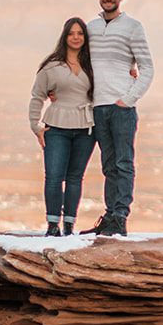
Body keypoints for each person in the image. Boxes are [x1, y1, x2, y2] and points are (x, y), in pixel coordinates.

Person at [85, 0, 154, 236]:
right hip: (97, 106)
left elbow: (147, 67)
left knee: (124, 163)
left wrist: (129, 99)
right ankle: (109, 215)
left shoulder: (133, 27)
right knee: (108, 165)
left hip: (121, 108)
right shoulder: (90, 28)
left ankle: (120, 216)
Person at [28, 17, 96, 236]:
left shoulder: (93, 65)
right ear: (64, 36)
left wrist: (132, 71)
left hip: (86, 129)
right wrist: (35, 125)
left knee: (75, 178)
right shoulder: (51, 66)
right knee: (54, 177)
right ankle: (52, 225)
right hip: (56, 128)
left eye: (80, 33)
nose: (76, 37)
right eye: (71, 33)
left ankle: (68, 225)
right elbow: (37, 96)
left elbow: (113, 78)